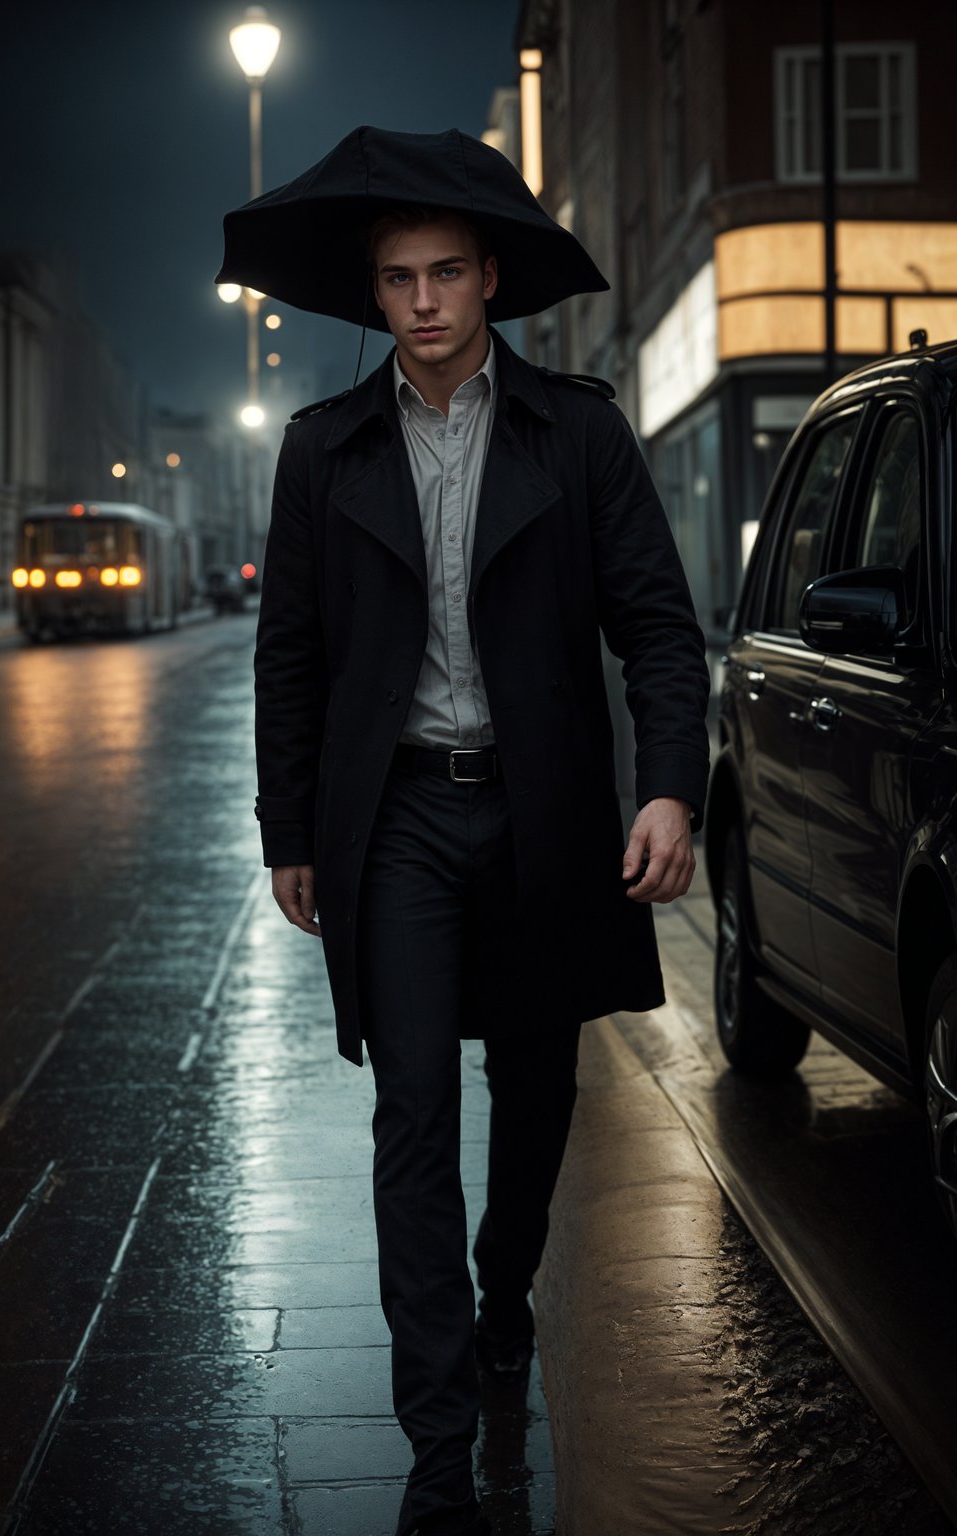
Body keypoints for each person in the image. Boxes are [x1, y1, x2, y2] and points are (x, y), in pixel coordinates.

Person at [222, 127, 710, 1536]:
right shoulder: (324, 454)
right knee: (414, 1114)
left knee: (539, 1095)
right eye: (396, 280)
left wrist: (668, 785)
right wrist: (289, 829)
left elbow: (660, 633)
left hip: (546, 815)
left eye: (446, 273)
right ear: (372, 299)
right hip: (399, 831)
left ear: (490, 278)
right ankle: (437, 1439)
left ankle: (508, 1290)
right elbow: (290, 654)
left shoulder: (583, 429)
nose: (424, 301)